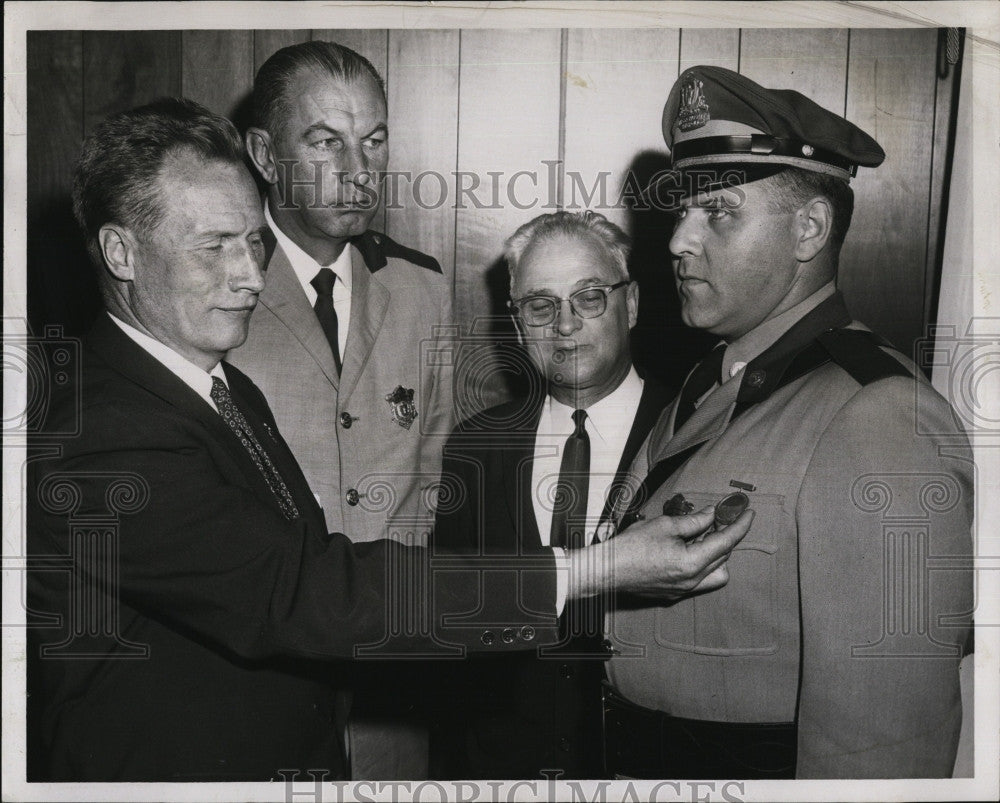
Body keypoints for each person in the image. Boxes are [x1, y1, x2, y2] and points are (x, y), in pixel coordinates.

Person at [25, 97, 754, 782]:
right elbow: (305, 590)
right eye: (216, 246)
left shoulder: (220, 385)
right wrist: (595, 569)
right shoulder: (99, 434)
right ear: (120, 253)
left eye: (254, 242)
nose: (250, 276)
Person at [602, 65, 974, 779]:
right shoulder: (708, 381)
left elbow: (883, 747)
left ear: (809, 229)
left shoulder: (878, 418)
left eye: (719, 212)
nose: (678, 239)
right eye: (684, 209)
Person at [230, 40, 454, 777]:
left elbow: (435, 471)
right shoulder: (212, 292)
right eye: (326, 142)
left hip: (394, 690)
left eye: (375, 140)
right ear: (264, 153)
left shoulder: (422, 290)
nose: (359, 173)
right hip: (255, 682)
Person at [431, 211, 673, 779]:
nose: (564, 325)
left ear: (631, 304)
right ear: (518, 324)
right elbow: (451, 627)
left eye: (589, 297)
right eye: (541, 305)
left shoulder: (693, 431)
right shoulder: (475, 448)